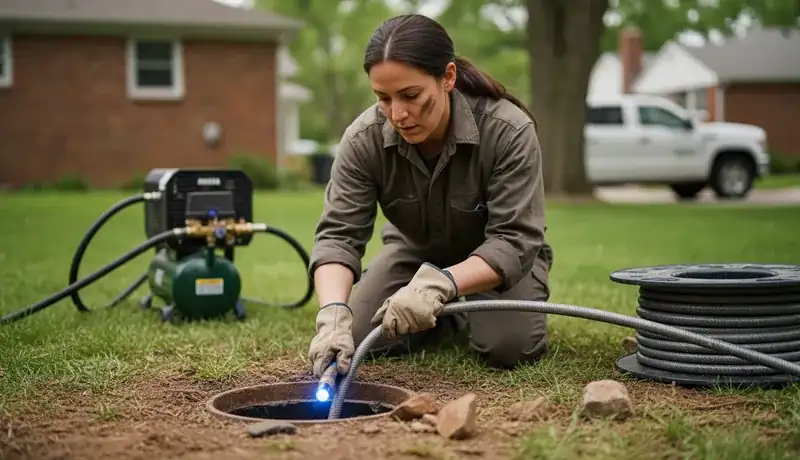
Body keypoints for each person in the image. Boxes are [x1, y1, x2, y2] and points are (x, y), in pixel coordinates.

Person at [306, 13, 554, 379]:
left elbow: (514, 239)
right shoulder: (363, 139)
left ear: (448, 77)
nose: (398, 114)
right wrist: (332, 313)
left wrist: (442, 284)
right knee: (359, 337)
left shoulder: (508, 130)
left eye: (410, 95)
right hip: (415, 250)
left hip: (496, 258)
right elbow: (337, 237)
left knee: (509, 348)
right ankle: (447, 320)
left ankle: (462, 305)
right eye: (383, 98)